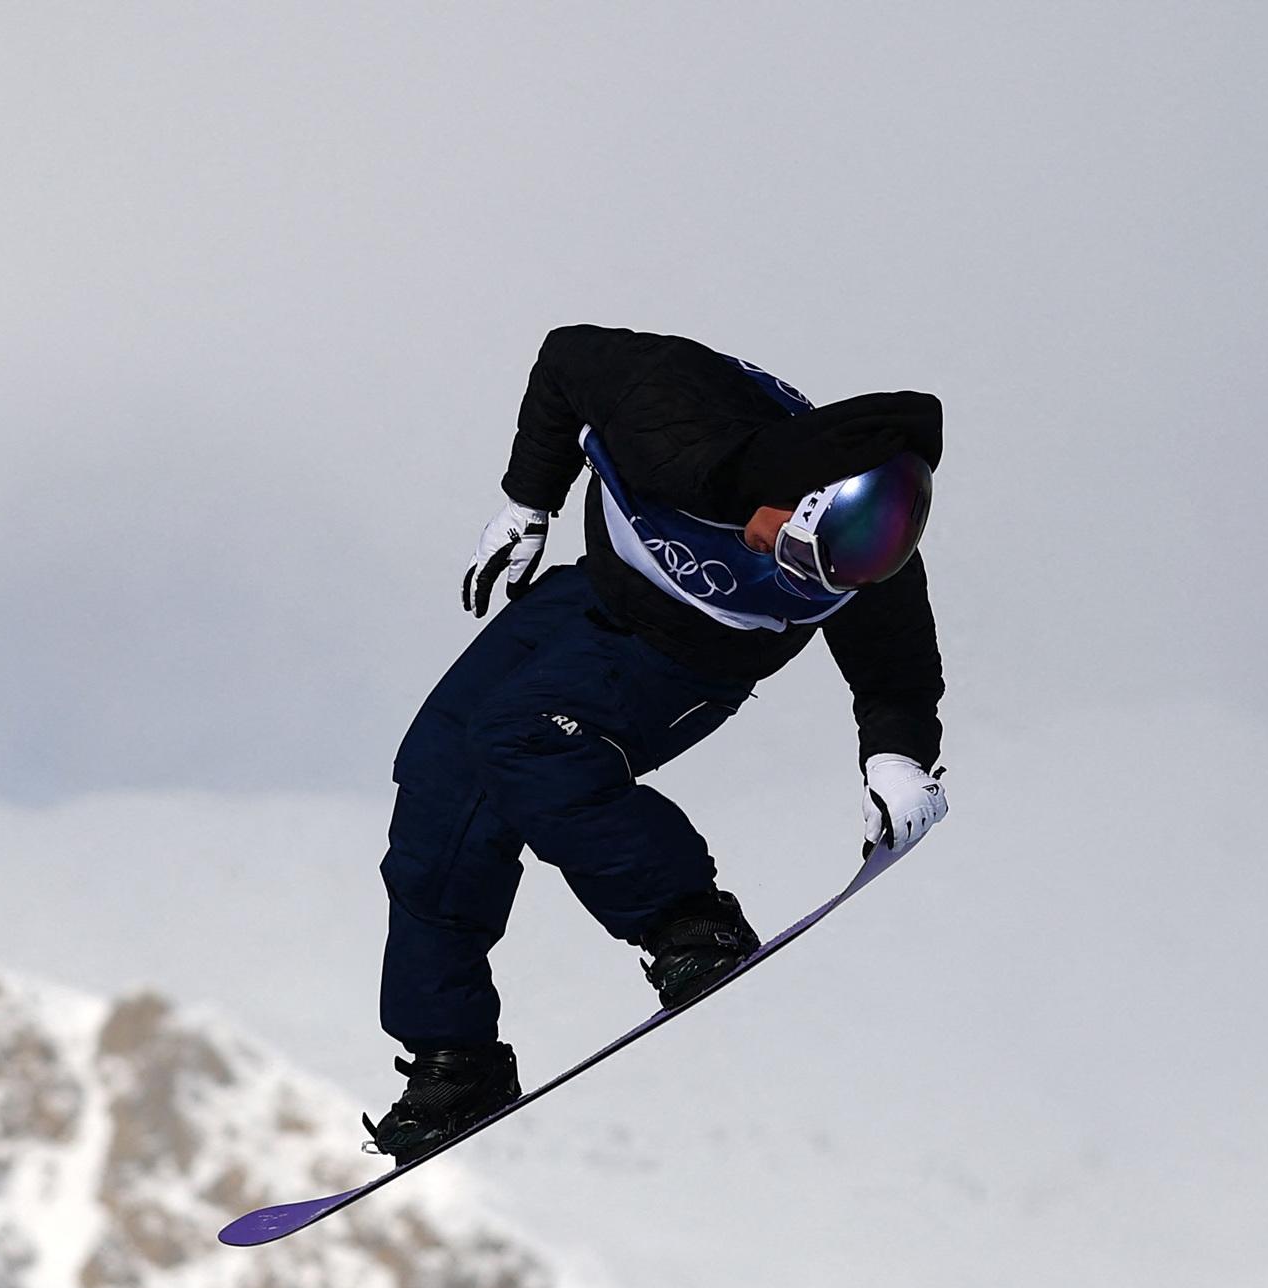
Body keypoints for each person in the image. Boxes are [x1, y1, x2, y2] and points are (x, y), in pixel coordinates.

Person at [366, 323, 949, 1160]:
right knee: (441, 771)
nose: (804, 580)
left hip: (687, 665)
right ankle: (454, 1062)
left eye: (835, 576)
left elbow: (897, 673)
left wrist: (897, 758)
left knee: (525, 741)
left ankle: (689, 923)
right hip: (594, 599)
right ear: (790, 496)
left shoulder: (869, 553)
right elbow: (566, 356)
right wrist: (530, 501)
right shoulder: (670, 415)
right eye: (796, 552)